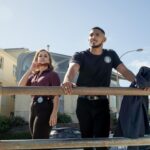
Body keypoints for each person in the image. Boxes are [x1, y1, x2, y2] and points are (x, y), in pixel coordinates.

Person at [61, 27, 136, 150]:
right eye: (91, 35)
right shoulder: (80, 55)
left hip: (102, 103)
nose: (93, 37)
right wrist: (67, 81)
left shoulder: (110, 54)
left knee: (103, 143)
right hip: (83, 103)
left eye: (97, 34)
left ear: (104, 39)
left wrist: (139, 82)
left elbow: (124, 71)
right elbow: (72, 69)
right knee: (87, 143)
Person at [19, 49, 60, 139]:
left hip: (46, 107)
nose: (42, 57)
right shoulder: (33, 76)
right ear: (36, 59)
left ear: (49, 60)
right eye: (40, 56)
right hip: (33, 107)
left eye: (45, 56)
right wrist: (30, 70)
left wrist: (54, 113)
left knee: (39, 139)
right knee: (35, 139)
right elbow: (20, 86)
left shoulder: (53, 74)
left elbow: (56, 95)